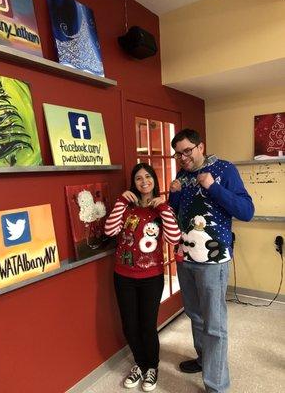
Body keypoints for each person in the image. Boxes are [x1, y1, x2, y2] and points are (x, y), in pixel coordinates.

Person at [168, 129, 254, 393]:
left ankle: (217, 385)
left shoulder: (224, 169)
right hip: (184, 257)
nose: (182, 158)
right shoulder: (183, 175)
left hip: (213, 261)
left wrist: (213, 187)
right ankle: (204, 358)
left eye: (187, 151)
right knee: (195, 315)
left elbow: (246, 211)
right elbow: (178, 214)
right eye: (178, 153)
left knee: (214, 324)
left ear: (200, 146)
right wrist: (173, 194)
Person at [105, 163, 181, 392]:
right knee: (130, 325)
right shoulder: (125, 207)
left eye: (148, 177)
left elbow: (174, 238)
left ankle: (152, 367)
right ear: (133, 183)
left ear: (154, 181)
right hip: (124, 275)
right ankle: (139, 363)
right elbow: (110, 231)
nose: (144, 182)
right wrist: (120, 202)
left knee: (147, 325)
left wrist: (165, 209)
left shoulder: (160, 208)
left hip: (151, 277)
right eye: (138, 178)